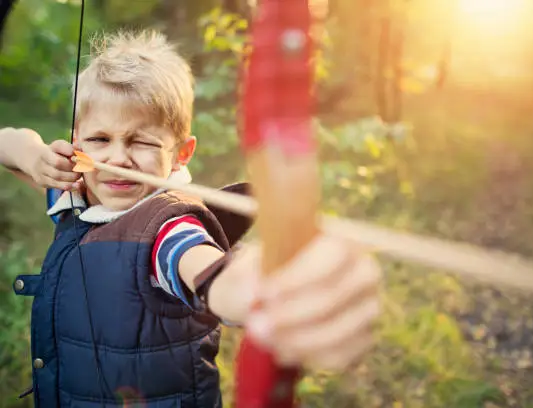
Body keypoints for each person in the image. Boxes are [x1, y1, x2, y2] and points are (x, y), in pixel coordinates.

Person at [0, 30, 381, 407]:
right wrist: (36, 158)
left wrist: (263, 290)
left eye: (142, 141)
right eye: (100, 139)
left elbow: (211, 274)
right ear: (77, 140)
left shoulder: (169, 226)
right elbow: (7, 143)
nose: (116, 158)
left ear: (182, 153)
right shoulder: (79, 197)